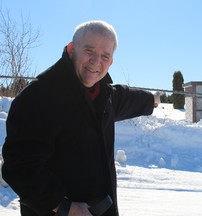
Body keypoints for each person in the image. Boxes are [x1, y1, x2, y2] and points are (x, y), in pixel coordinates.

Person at [2, 20, 160, 216]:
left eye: (105, 56)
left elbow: (127, 97)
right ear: (71, 49)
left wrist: (151, 99)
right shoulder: (38, 96)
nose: (96, 61)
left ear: (110, 62)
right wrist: (63, 206)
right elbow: (19, 167)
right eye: (89, 50)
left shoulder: (103, 95)